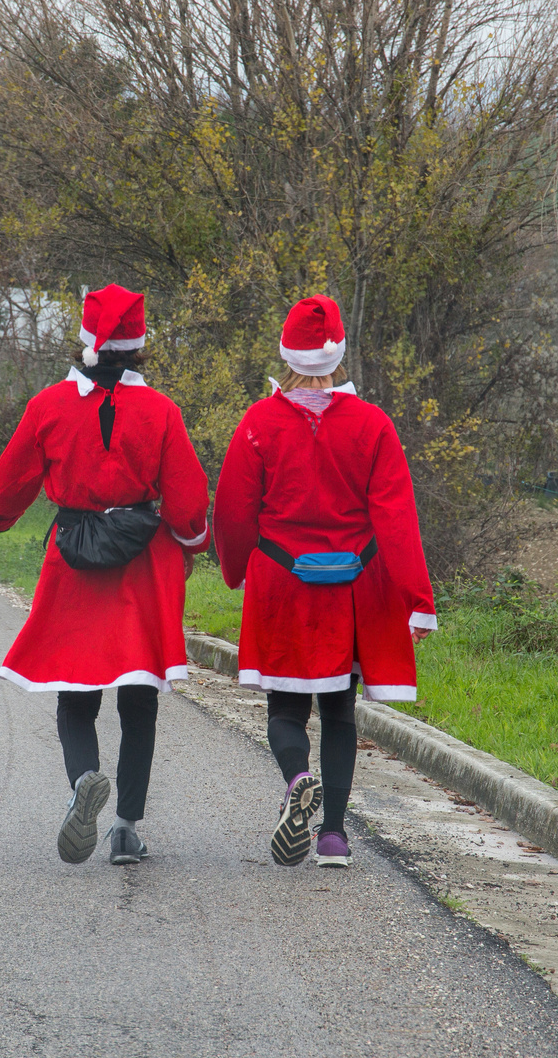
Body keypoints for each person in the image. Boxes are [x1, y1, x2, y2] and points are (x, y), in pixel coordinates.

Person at [0, 285, 210, 865]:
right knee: (139, 699)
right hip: (143, 563)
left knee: (76, 693)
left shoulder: (50, 405)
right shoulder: (160, 410)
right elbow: (185, 499)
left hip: (75, 560)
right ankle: (127, 829)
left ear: (85, 338)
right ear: (139, 346)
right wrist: (193, 540)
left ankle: (84, 778)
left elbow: (13, 478)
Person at [213, 294, 436, 868]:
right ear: (338, 352)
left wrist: (234, 570)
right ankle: (333, 836)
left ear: (286, 353)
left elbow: (234, 510)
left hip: (281, 583)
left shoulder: (259, 423)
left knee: (286, 712)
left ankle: (297, 780)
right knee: (339, 711)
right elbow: (396, 516)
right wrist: (418, 599)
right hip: (352, 587)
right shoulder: (373, 424)